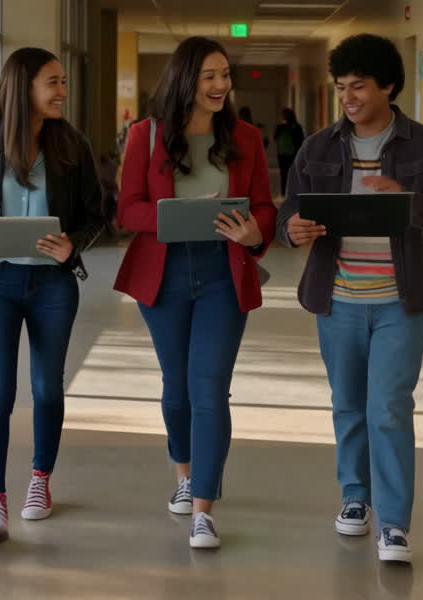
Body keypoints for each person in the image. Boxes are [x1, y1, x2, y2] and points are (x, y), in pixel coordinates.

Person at [276, 34, 423, 564]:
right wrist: (296, 231)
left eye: (358, 86)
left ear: (387, 86)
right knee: (348, 406)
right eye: (341, 88)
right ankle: (355, 499)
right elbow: (287, 213)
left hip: (400, 303)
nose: (348, 97)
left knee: (389, 409)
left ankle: (395, 523)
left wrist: (407, 202)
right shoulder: (317, 147)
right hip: (337, 300)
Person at [114, 36, 276, 550]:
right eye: (210, 75)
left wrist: (255, 233)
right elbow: (128, 210)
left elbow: (266, 207)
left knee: (210, 389)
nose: (221, 85)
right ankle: (184, 475)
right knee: (176, 386)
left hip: (222, 273)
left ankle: (203, 507)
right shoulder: (146, 135)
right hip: (162, 272)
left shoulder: (246, 136)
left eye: (225, 75)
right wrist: (177, 218)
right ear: (186, 79)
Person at [0, 47, 105, 543]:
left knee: (48, 388)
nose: (61, 92)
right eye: (51, 83)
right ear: (23, 88)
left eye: (62, 82)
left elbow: (99, 215)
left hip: (53, 283)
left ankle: (40, 482)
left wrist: (74, 243)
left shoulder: (71, 144)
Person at [273, 107, 305, 196]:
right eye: (283, 115)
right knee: (283, 173)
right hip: (282, 153)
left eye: (286, 115)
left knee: (292, 173)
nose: (284, 117)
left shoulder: (296, 126)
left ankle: (293, 191)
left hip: (292, 153)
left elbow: (300, 139)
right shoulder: (280, 126)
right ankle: (283, 192)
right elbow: (275, 137)